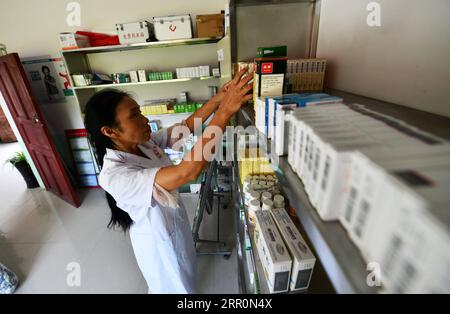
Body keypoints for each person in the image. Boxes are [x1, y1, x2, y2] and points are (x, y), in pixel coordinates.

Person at [84, 68, 252, 294]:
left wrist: (219, 98)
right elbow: (187, 172)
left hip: (174, 227)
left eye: (140, 112)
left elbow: (185, 128)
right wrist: (223, 113)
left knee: (187, 281)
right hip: (159, 245)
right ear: (110, 131)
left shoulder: (143, 143)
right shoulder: (114, 175)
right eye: (134, 115)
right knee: (176, 288)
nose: (145, 120)